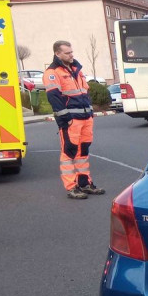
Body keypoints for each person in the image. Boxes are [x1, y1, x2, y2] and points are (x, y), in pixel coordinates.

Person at [45, 40, 105, 200]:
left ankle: (85, 183)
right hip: (71, 120)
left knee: (83, 151)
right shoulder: (52, 72)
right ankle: (72, 187)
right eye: (67, 53)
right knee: (69, 153)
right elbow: (54, 97)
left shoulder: (76, 69)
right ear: (57, 54)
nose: (71, 55)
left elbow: (84, 92)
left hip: (85, 117)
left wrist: (90, 112)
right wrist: (65, 119)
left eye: (72, 52)